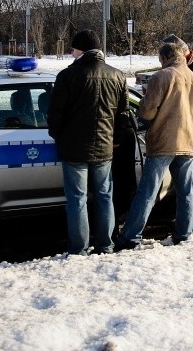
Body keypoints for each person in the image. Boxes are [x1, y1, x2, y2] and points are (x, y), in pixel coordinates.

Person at [115, 42, 193, 250]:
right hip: (188, 142)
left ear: (164, 58)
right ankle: (184, 233)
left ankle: (130, 236)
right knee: (185, 192)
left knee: (147, 191)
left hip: (163, 142)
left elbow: (147, 112)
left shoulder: (161, 77)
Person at [47, 29, 127, 255]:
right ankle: (105, 245)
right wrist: (116, 141)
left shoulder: (67, 76)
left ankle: (79, 248)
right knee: (104, 196)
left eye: (73, 49)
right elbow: (123, 115)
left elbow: (55, 115)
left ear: (80, 49)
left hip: (73, 150)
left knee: (77, 199)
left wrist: (59, 137)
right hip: (105, 147)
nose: (71, 52)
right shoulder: (118, 76)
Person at [162, 34, 193, 229]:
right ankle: (189, 219)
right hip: (192, 129)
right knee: (189, 178)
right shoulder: (190, 67)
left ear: (182, 52)